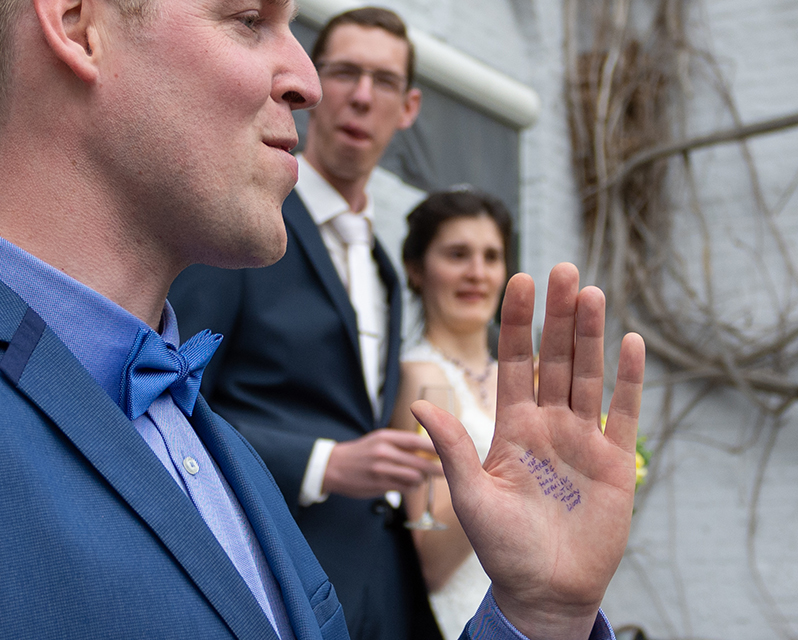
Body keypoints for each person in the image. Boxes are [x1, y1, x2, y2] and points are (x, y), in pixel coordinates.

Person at [0, 0, 647, 638]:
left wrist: (538, 614)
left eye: (384, 80)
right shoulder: (227, 263)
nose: (309, 83)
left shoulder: (220, 460)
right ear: (78, 24)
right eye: (248, 20)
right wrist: (324, 463)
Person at [168, 8, 440, 639]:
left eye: (384, 80)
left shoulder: (385, 268)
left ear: (408, 107)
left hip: (375, 597)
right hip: (269, 584)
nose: (361, 96)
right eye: (344, 72)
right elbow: (174, 400)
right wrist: (324, 463)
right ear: (314, 81)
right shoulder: (239, 227)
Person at [389, 188, 511, 638]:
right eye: (458, 254)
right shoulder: (422, 379)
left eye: (491, 256)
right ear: (416, 269)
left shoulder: (524, 378)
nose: (477, 272)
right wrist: (514, 459)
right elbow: (430, 561)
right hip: (463, 617)